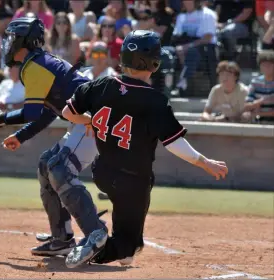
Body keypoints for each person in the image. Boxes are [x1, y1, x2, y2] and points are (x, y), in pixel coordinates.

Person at [62, 30, 228, 268]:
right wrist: (205, 162)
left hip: (103, 173)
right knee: (129, 245)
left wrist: (90, 121)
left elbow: (68, 112)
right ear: (153, 62)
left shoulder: (100, 84)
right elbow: (174, 143)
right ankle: (96, 243)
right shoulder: (154, 100)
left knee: (127, 245)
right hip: (134, 180)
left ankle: (115, 247)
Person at [0, 16, 105, 256]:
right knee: (47, 164)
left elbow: (32, 112)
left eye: (12, 38)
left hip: (93, 122)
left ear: (23, 41)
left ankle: (96, 236)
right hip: (84, 120)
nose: (8, 43)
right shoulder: (38, 62)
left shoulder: (34, 65)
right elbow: (47, 112)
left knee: (60, 168)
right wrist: (21, 135)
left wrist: (0, 119)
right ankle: (62, 238)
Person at [244, 51, 274, 123]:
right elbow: (246, 106)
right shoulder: (255, 82)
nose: (266, 67)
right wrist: (258, 102)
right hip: (257, 122)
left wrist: (257, 113)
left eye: (269, 65)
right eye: (264, 65)